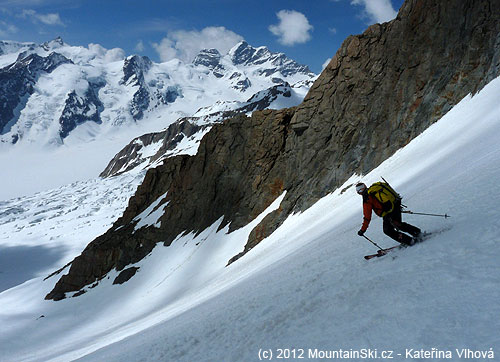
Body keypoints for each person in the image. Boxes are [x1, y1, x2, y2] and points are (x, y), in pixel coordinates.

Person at [356, 182, 421, 245]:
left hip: (388, 212)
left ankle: (409, 241)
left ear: (359, 192)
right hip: (395, 205)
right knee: (398, 224)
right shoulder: (375, 189)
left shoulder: (367, 199)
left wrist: (362, 230)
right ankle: (417, 232)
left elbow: (367, 217)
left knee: (388, 230)